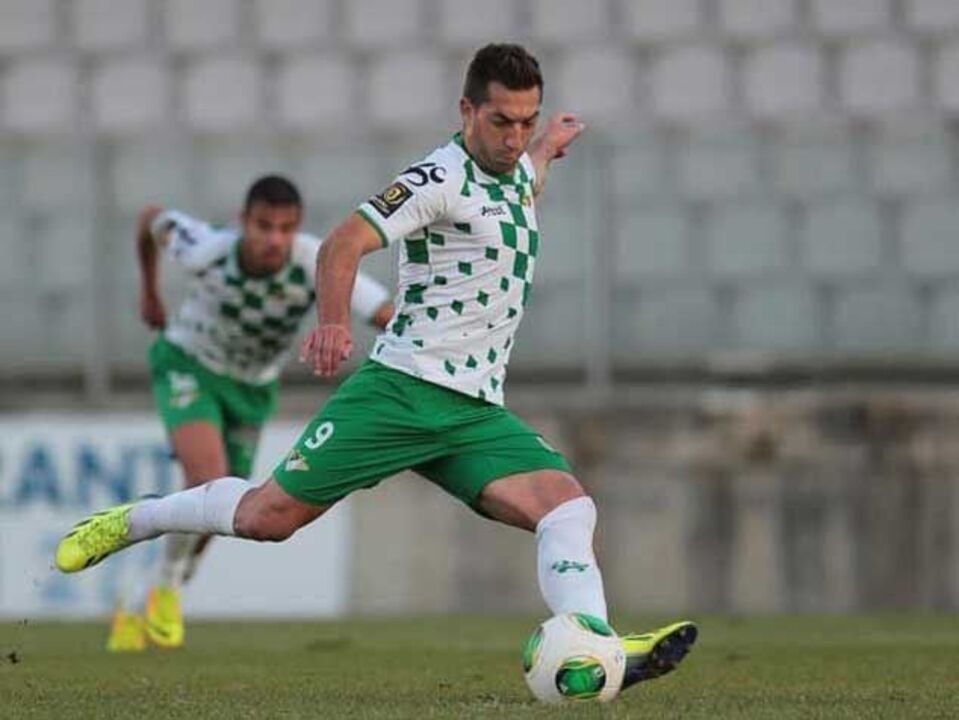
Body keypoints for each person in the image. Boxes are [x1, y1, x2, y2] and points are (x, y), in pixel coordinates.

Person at [57, 44, 696, 688]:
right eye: (501, 121)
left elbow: (524, 177)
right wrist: (333, 322)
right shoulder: (436, 178)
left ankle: (595, 643)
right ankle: (135, 519)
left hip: (473, 407)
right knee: (265, 518)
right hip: (402, 391)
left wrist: (546, 147)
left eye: (527, 120)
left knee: (566, 507)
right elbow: (342, 243)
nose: (514, 136)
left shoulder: (517, 168)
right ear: (467, 111)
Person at [107, 175, 393, 652]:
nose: (274, 239)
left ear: (298, 227)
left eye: (286, 228)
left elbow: (383, 309)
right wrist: (150, 292)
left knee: (227, 509)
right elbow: (148, 218)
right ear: (243, 222)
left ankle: (146, 596)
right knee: (207, 479)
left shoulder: (315, 260)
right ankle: (166, 589)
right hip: (189, 365)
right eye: (264, 226)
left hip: (252, 388)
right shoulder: (206, 248)